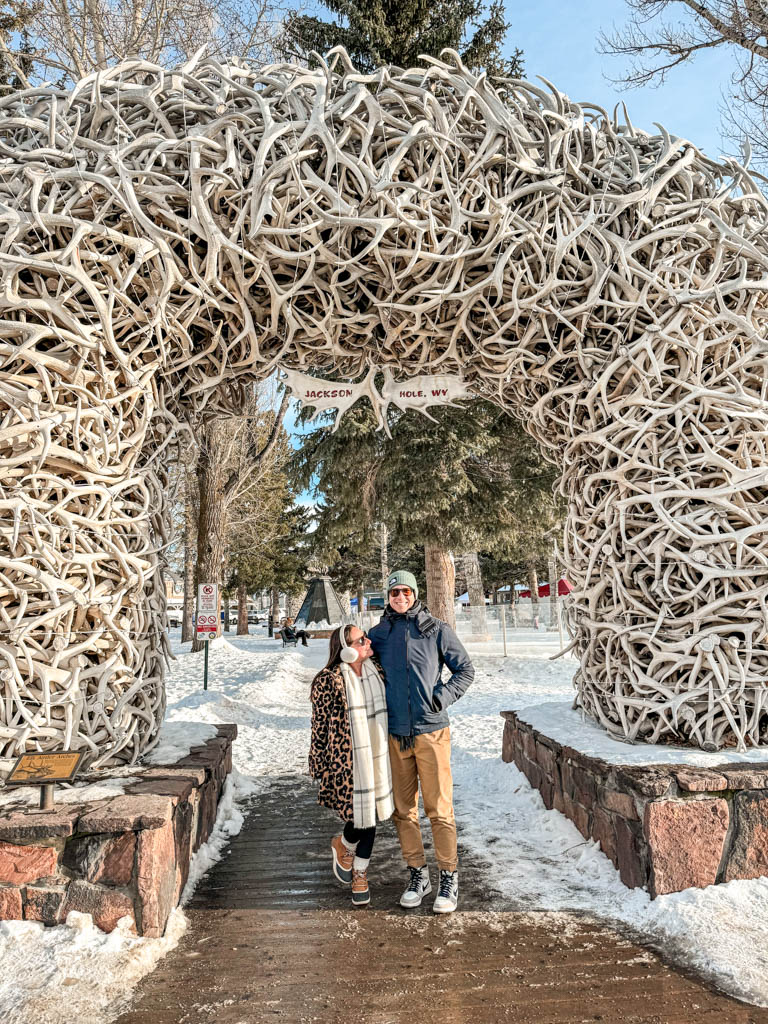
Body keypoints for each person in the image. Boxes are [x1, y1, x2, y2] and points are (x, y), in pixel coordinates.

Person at [368, 570, 474, 915]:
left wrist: (440, 697)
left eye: (406, 592)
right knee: (403, 811)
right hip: (396, 734)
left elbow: (465, 671)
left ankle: (448, 876)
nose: (401, 597)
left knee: (439, 808)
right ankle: (417, 874)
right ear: (388, 597)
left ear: (415, 594)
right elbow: (358, 669)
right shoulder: (378, 634)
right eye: (395, 592)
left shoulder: (436, 630)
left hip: (431, 732)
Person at [308, 624, 394, 906]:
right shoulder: (328, 680)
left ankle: (350, 855)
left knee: (372, 816)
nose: (368, 641)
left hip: (379, 754)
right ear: (345, 649)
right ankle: (354, 863)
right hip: (347, 760)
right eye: (361, 640)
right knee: (362, 817)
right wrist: (318, 762)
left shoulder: (377, 671)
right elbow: (319, 726)